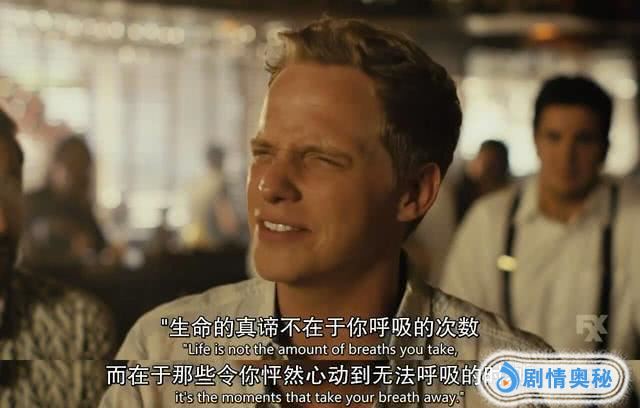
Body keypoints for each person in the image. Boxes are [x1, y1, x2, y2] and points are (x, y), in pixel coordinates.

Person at [100, 18, 550, 407]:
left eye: (319, 158)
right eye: (263, 153)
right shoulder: (162, 355)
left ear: (413, 192)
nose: (270, 185)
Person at [441, 76, 640, 368]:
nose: (567, 155)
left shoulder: (632, 222)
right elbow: (455, 330)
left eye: (584, 139)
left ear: (604, 148)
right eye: (554, 137)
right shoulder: (489, 221)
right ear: (535, 140)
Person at [0, 108, 117, 406]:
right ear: (56, 167)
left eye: (9, 188)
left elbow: (101, 250)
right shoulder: (39, 202)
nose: (2, 223)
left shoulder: (78, 328)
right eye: (73, 168)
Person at [22, 135, 107, 267]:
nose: (76, 175)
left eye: (82, 168)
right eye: (72, 165)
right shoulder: (30, 202)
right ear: (55, 165)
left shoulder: (81, 208)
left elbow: (101, 250)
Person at [182, 145, 239, 250]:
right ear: (222, 160)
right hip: (214, 247)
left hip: (192, 244)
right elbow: (228, 224)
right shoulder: (221, 183)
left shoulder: (197, 183)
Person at [454, 139, 511, 223]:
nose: (488, 169)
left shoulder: (511, 200)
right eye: (484, 161)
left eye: (493, 164)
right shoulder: (463, 193)